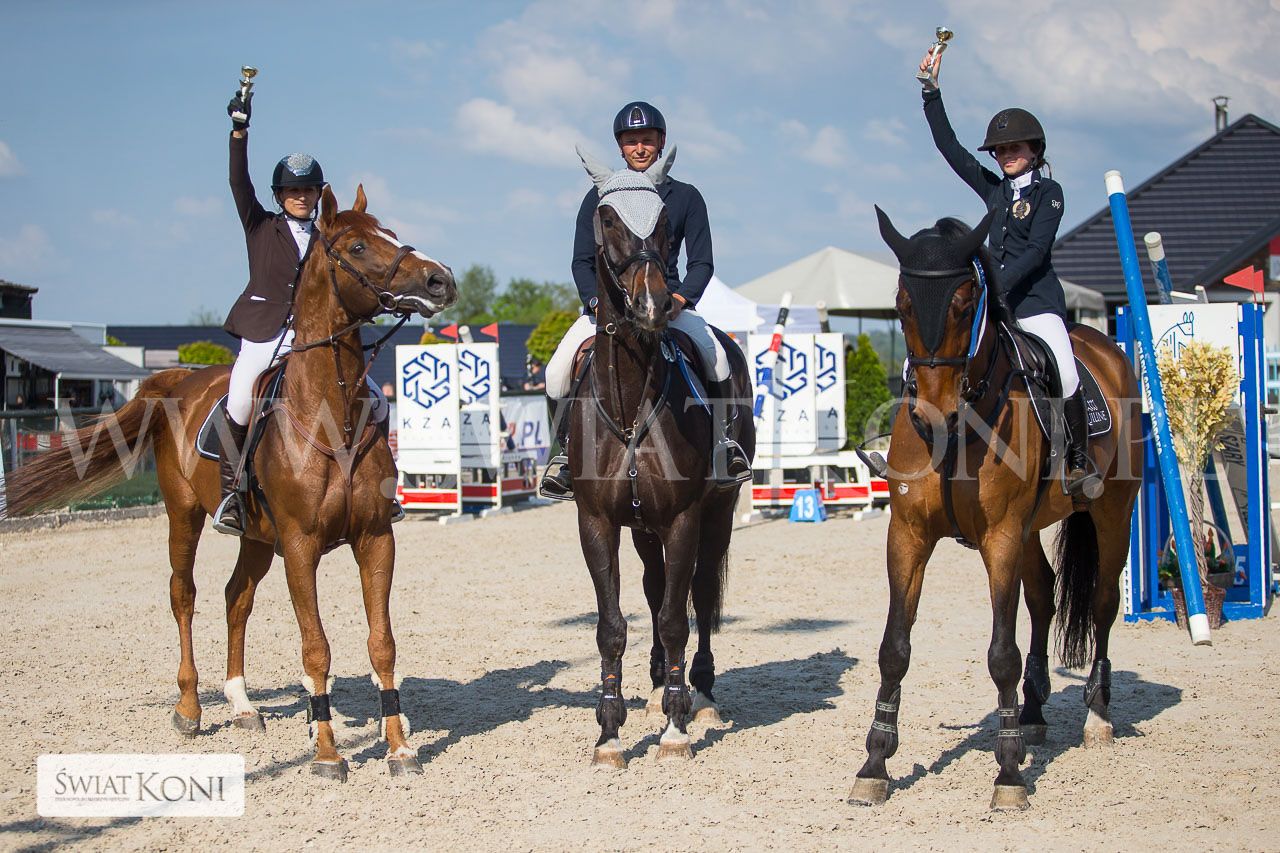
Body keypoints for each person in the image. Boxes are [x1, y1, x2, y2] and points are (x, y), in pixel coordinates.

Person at [539, 101, 751, 499]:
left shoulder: (685, 196)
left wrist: (679, 300)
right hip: (609, 311)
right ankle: (565, 456)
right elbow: (582, 261)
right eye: (632, 141)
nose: (640, 148)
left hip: (668, 305)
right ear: (621, 147)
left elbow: (702, 263)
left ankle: (724, 447)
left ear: (661, 142)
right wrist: (595, 303)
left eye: (647, 140)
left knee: (719, 359)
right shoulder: (599, 198)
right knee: (555, 373)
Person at [215, 86, 398, 535]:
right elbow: (238, 183)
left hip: (315, 338)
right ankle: (232, 494)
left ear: (318, 194)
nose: (301, 196)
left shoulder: (327, 238)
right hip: (265, 334)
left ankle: (384, 488)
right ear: (280, 194)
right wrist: (239, 132)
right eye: (293, 190)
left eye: (308, 189)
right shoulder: (261, 225)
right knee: (240, 399)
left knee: (376, 401)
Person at [917, 53, 1100, 499]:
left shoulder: (1049, 193)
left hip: (1035, 304)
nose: (1005, 156)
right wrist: (931, 94)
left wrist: (996, 285)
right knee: (932, 355)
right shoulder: (994, 189)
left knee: (1065, 370)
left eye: (1014, 148)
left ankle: (1078, 461)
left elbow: (1037, 252)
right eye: (999, 150)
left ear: (1034, 150)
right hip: (993, 306)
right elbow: (951, 149)